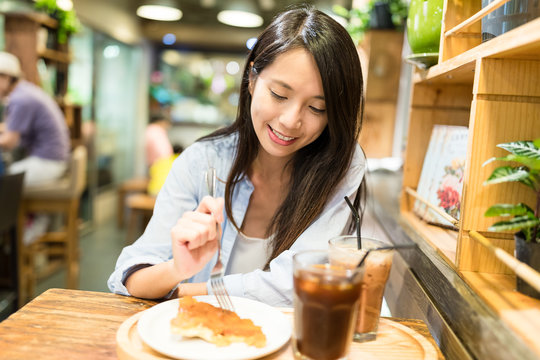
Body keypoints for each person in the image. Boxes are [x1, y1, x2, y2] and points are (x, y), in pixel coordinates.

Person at [108, 4, 366, 306]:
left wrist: (186, 292)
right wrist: (178, 269)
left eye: (317, 108)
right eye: (280, 95)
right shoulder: (202, 162)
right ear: (253, 80)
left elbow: (300, 284)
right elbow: (130, 277)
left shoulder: (341, 169)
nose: (290, 120)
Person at [0, 51, 70, 187]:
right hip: (54, 159)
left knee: (5, 180)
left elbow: (9, 142)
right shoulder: (25, 92)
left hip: (47, 162)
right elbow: (13, 128)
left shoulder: (20, 99)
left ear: (6, 77)